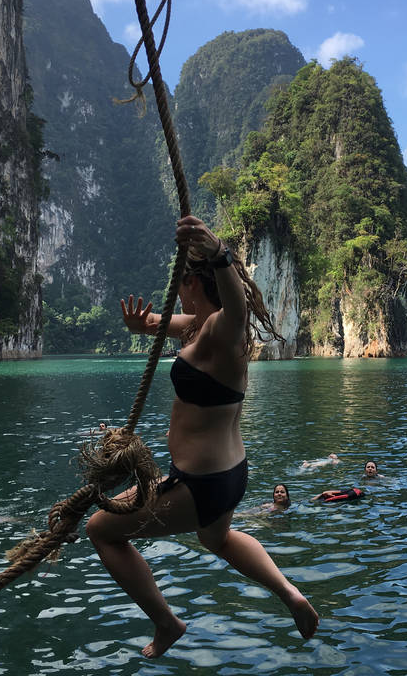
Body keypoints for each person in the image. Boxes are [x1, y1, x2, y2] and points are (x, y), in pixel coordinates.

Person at [85, 216, 318, 659]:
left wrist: (220, 254)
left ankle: (166, 622)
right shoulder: (199, 326)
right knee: (218, 540)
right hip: (227, 474)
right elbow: (162, 322)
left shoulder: (220, 330)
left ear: (193, 281)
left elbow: (237, 310)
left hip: (199, 483)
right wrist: (143, 326)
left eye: (181, 283)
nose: (177, 291)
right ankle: (290, 594)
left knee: (101, 530)